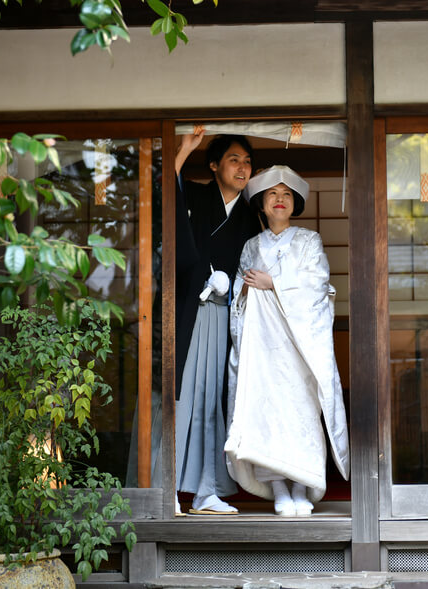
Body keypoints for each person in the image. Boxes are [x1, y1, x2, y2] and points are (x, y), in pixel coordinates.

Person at [224, 165, 350, 516]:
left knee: (301, 410)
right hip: (264, 347)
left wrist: (273, 284)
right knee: (267, 413)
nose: (279, 200)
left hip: (299, 345)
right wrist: (250, 288)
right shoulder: (251, 246)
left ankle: (300, 483)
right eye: (271, 195)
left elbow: (317, 284)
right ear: (262, 205)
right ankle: (278, 485)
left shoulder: (310, 241)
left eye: (285, 195)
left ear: (294, 204)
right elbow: (240, 291)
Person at [172, 131, 261, 515]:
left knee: (213, 402)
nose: (242, 168)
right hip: (187, 310)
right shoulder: (192, 194)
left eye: (247, 162)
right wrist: (182, 153)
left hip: (225, 315)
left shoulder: (249, 216)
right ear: (214, 166)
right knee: (179, 399)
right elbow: (165, 203)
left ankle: (206, 490)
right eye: (234, 160)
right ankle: (166, 489)